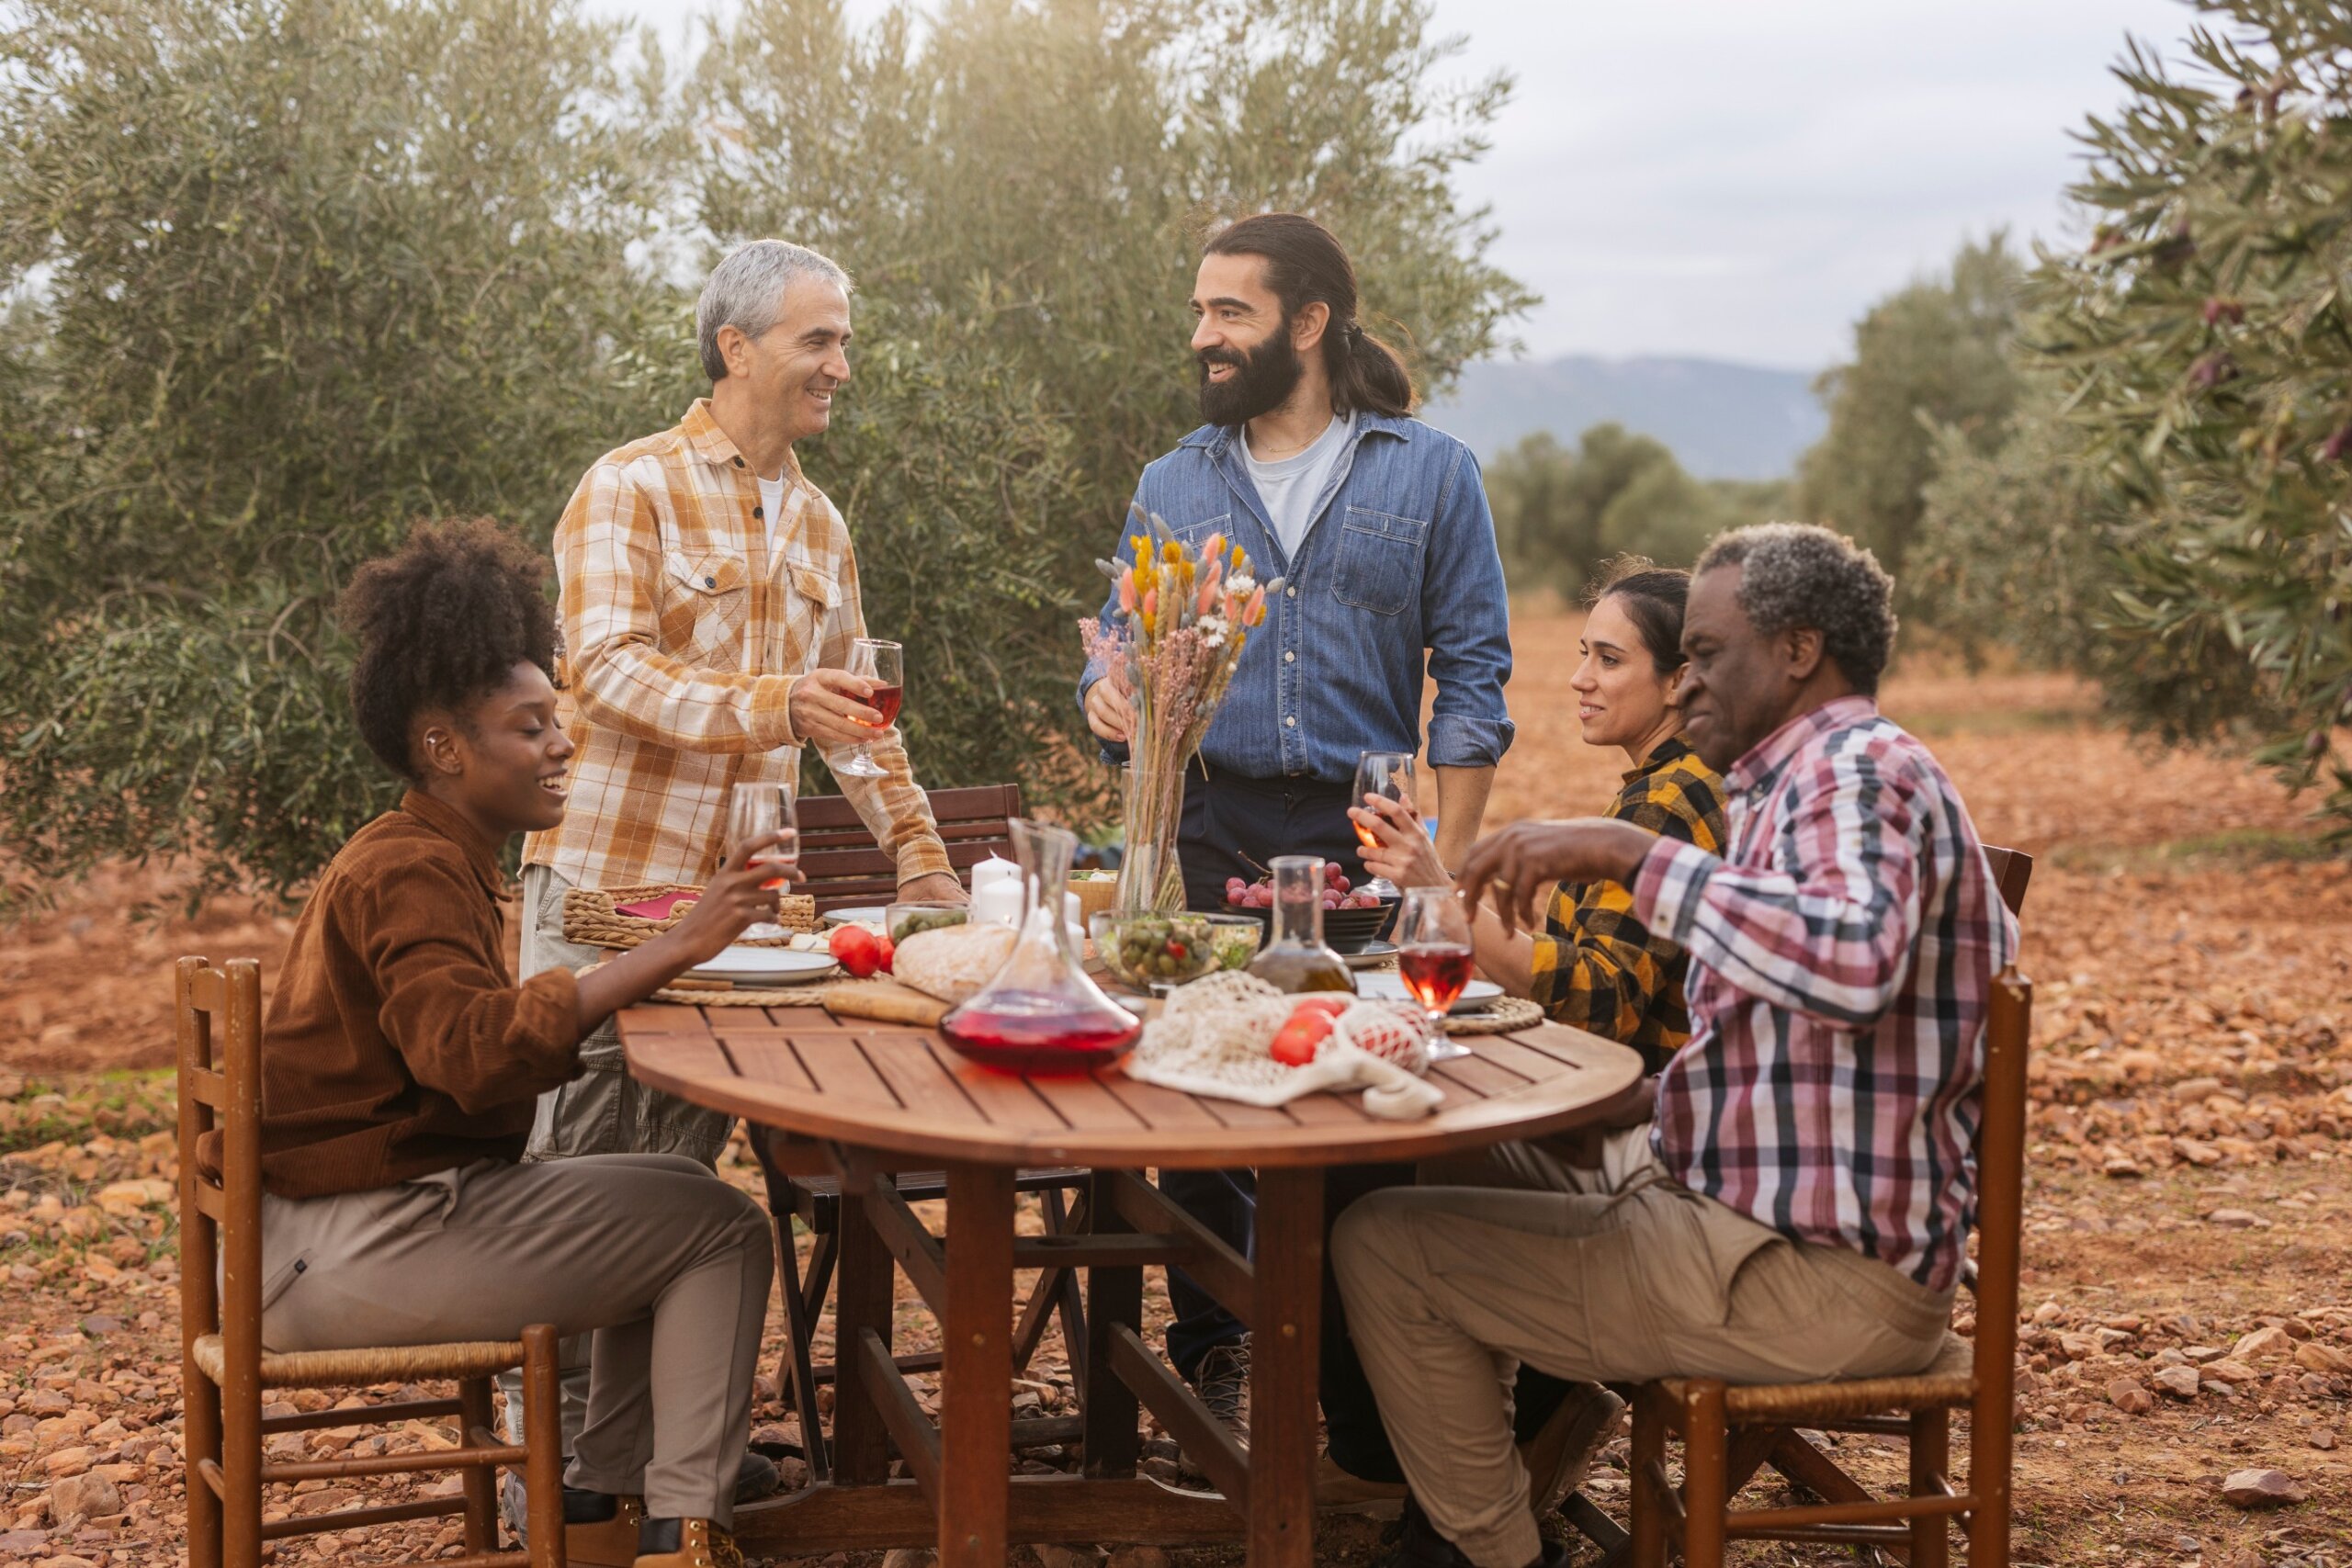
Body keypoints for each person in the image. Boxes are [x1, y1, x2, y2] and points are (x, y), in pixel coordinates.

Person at [1333, 524, 2018, 1568]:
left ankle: (1487, 1552)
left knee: (1381, 1245)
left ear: (1795, 649)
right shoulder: (1796, 783)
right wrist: (1654, 1106)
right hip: (1760, 1221)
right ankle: (1496, 1494)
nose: (1689, 679)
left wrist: (1625, 851)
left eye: (1704, 653)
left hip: (1813, 1276)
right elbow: (1806, 1040)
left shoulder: (1853, 773)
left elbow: (1851, 961)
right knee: (1454, 1147)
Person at [222, 520, 783, 1568]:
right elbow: (470, 1051)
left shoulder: (437, 855)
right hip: (338, 1249)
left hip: (320, 1236)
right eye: (530, 728)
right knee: (720, 1229)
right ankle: (680, 1538)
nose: (562, 744)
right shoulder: (410, 870)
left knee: (663, 1186)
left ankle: (598, 1517)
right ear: (445, 747)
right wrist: (685, 941)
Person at [509, 240, 967, 1495]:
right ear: (737, 347)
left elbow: (861, 713)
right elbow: (600, 667)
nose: (842, 365)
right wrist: (776, 701)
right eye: (821, 339)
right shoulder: (630, 488)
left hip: (731, 930)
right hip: (604, 899)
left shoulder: (821, 521)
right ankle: (555, 1482)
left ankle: (650, 1465)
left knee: (668, 1186)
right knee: (575, 1180)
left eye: (846, 340)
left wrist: (924, 861)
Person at [1077, 211, 1514, 1431]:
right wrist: (1108, 695)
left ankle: (1362, 1372)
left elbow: (1475, 671)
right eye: (1201, 311)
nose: (1204, 336)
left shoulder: (1432, 473)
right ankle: (1218, 1348)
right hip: (1207, 829)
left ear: (1308, 321)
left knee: (1361, 1089)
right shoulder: (1175, 479)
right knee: (1199, 1089)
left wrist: (1449, 872)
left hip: (1362, 833)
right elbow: (1117, 646)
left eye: (1231, 312)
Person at [1315, 558, 1727, 1517]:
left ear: (1678, 683)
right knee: (1401, 1156)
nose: (1579, 677)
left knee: (1367, 1174)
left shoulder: (1670, 801)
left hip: (1648, 1137)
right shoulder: (1658, 790)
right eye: (1582, 652)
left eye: (1607, 658)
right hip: (1632, 1106)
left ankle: (1390, 1463)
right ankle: (1479, 1439)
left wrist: (1436, 895)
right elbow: (1590, 971)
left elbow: (1600, 1003)